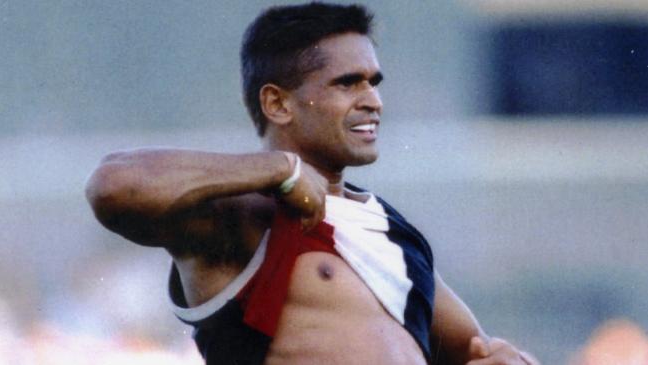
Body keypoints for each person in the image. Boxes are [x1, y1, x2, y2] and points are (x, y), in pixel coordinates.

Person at [85, 2, 539, 364]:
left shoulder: (393, 234)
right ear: (278, 104)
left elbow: (475, 349)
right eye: (348, 83)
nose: (373, 101)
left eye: (373, 82)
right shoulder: (242, 217)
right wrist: (280, 170)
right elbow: (113, 184)